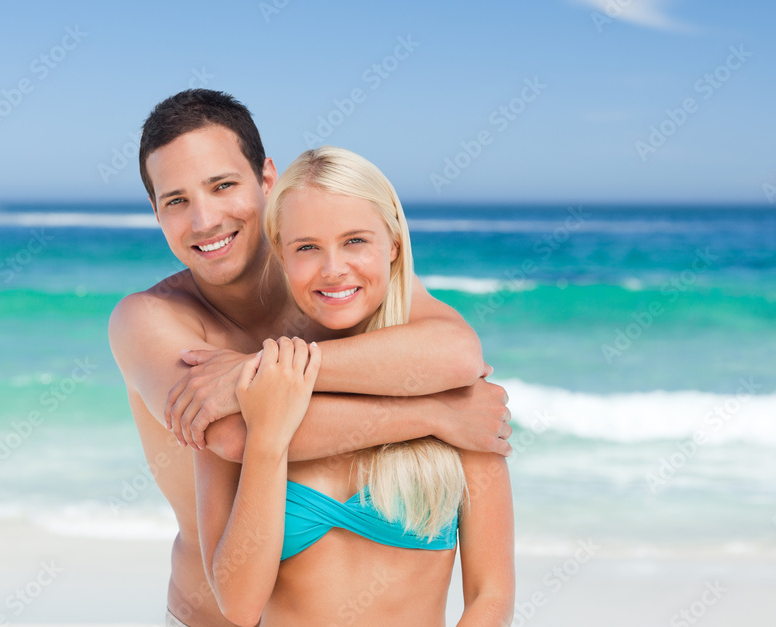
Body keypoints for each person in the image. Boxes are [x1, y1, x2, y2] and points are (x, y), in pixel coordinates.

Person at [108, 89, 512, 627]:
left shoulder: (330, 273)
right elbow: (232, 438)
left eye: (223, 185)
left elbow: (456, 353)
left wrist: (252, 379)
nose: (204, 219)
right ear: (156, 212)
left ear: (266, 179)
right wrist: (431, 414)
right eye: (175, 201)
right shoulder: (151, 319)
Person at [195, 146, 515, 626]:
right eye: (306, 247)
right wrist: (269, 431)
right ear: (281, 256)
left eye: (355, 241)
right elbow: (237, 606)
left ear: (393, 247)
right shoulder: (246, 393)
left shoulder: (459, 398)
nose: (333, 269)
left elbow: (491, 596)